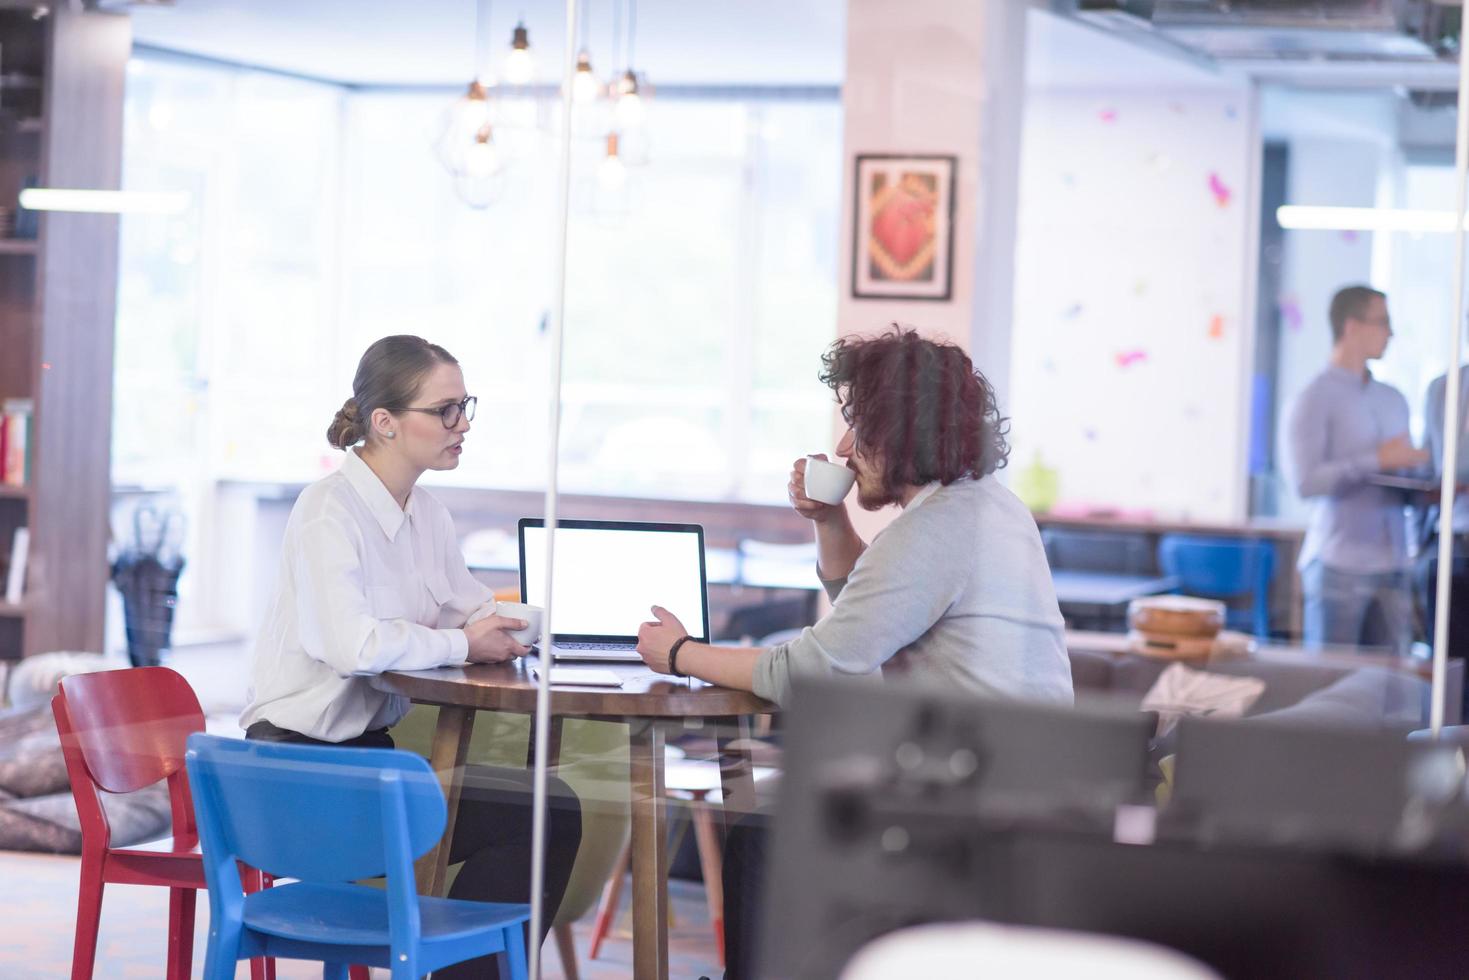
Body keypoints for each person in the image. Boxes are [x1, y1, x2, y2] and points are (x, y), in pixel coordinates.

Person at [635, 326, 1074, 980]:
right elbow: (868, 621)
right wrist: (828, 520)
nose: (843, 447)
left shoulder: (935, 530)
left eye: (859, 427)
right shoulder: (987, 509)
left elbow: (814, 671)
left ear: (903, 435)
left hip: (973, 802)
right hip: (1018, 785)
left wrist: (679, 653)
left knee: (763, 831)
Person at [239, 335, 580, 980]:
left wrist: (528, 624)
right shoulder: (326, 511)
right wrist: (463, 643)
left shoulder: (427, 513)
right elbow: (351, 644)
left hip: (369, 760)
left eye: (466, 405)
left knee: (544, 806)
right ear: (385, 423)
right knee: (538, 812)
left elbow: (471, 608)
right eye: (446, 409)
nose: (464, 424)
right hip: (299, 766)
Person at [1285, 285, 1428, 656]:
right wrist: (1376, 460)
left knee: (1391, 695)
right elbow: (1305, 483)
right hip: (1339, 567)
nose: (1391, 333)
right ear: (1351, 327)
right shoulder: (1313, 397)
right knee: (1332, 693)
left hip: (1395, 565)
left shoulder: (1393, 398)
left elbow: (1407, 473)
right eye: (1382, 322)